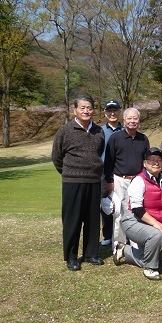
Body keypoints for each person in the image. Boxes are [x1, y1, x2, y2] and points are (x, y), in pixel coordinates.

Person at [51, 96, 105, 271]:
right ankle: (71, 256)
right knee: (72, 220)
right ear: (75, 110)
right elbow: (56, 156)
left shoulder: (98, 131)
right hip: (72, 182)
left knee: (92, 220)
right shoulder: (65, 130)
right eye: (82, 108)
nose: (86, 111)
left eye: (89, 108)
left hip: (94, 181)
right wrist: (69, 172)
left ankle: (91, 253)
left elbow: (99, 153)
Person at [113, 148, 162, 280]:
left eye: (159, 160)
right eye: (152, 160)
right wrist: (157, 224)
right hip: (134, 221)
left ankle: (124, 250)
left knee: (144, 257)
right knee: (156, 234)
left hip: (151, 223)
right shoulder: (138, 180)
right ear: (144, 163)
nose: (156, 163)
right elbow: (137, 209)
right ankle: (150, 268)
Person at [104, 107, 150, 251]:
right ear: (124, 120)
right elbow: (109, 161)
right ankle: (119, 246)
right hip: (120, 180)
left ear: (139, 120)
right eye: (129, 118)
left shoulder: (143, 139)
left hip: (138, 181)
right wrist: (109, 181)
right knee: (120, 212)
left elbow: (147, 161)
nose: (132, 121)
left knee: (138, 211)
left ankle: (136, 244)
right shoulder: (115, 138)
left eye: (135, 118)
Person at [99, 100, 123, 246]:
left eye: (115, 110)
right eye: (109, 111)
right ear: (105, 112)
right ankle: (108, 234)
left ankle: (122, 233)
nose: (112, 113)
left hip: (121, 171)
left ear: (120, 112)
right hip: (103, 172)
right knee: (106, 203)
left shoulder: (125, 130)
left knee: (123, 203)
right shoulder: (100, 131)